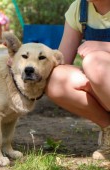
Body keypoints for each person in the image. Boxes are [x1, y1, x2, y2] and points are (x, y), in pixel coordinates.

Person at [45, 0, 110, 160]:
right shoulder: (79, 9)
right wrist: (24, 58)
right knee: (56, 78)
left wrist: (104, 46)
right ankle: (109, 129)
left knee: (94, 62)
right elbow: (61, 60)